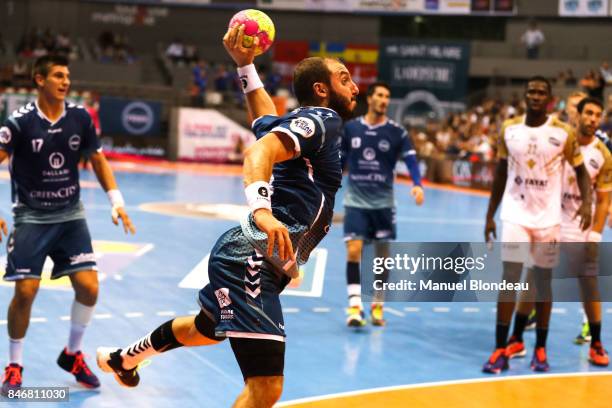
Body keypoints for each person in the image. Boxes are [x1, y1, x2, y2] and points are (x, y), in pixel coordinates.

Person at [96, 24, 358, 407]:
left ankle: (124, 359)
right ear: (322, 89)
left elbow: (264, 121)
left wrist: (246, 66)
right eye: (345, 79)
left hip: (252, 256)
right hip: (252, 258)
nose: (355, 87)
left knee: (205, 329)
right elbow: (258, 154)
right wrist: (263, 211)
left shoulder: (305, 123)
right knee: (266, 387)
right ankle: (125, 359)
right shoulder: (324, 120)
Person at [0, 55, 135, 395]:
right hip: (31, 215)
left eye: (67, 76)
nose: (65, 81)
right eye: (58, 75)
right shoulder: (18, 123)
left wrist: (116, 201)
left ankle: (72, 355)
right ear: (39, 80)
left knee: (89, 287)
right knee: (26, 291)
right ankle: (14, 365)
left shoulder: (80, 117)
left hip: (70, 215)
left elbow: (98, 158)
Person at [483, 76, 592, 374]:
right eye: (531, 91)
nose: (535, 95)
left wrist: (587, 202)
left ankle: (540, 350)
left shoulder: (563, 132)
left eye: (541, 92)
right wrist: (489, 214)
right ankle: (499, 349)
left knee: (542, 284)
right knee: (510, 279)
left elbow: (582, 172)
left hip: (548, 220)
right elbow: (501, 173)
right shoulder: (510, 129)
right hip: (515, 214)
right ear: (525, 95)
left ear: (549, 98)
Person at [507, 98, 611, 367]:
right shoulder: (557, 141)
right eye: (588, 113)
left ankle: (597, 343)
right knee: (534, 281)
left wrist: (595, 236)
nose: (592, 119)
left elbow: (603, 201)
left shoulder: (603, 155)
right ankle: (517, 338)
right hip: (550, 221)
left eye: (597, 115)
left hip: (580, 228)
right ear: (577, 115)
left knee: (589, 284)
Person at [341, 82, 424, 327]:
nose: (384, 100)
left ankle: (377, 304)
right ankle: (355, 307)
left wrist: (417, 183)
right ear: (370, 98)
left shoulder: (397, 132)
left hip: (384, 204)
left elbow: (410, 159)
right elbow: (341, 160)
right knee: (354, 250)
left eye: (387, 96)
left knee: (381, 258)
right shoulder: (352, 128)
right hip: (356, 201)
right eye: (379, 95)